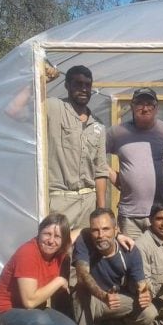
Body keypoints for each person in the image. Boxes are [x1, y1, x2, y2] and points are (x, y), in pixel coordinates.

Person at [72, 208, 158, 325]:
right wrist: (103, 296)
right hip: (95, 300)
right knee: (79, 292)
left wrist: (144, 292)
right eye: (95, 230)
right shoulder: (84, 242)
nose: (100, 235)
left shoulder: (130, 250)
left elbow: (141, 282)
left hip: (114, 300)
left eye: (105, 229)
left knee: (149, 311)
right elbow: (82, 274)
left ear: (116, 230)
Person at [106, 87, 163, 239]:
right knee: (131, 259)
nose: (144, 108)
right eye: (139, 103)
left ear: (156, 107)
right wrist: (114, 177)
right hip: (129, 217)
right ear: (132, 106)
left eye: (149, 104)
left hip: (161, 216)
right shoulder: (117, 133)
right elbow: (95, 155)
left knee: (162, 261)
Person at [45, 65, 108, 230]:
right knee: (57, 250)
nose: (84, 89)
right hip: (60, 202)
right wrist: (42, 80)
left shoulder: (98, 124)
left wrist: (101, 211)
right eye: (78, 84)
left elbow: (100, 171)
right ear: (67, 85)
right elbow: (15, 111)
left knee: (86, 252)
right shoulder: (53, 107)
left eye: (88, 85)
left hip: (89, 201)